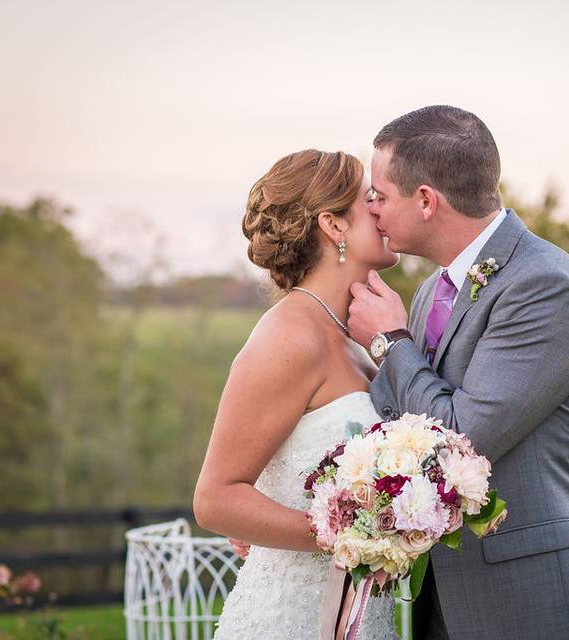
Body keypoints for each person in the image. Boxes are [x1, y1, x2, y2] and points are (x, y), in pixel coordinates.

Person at [346, 105, 569, 640]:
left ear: (426, 201)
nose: (372, 210)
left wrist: (390, 342)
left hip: (533, 591)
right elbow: (395, 426)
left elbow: (463, 436)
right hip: (444, 593)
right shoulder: (427, 294)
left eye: (379, 195)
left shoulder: (543, 286)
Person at [193, 149, 398, 639]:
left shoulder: (355, 333)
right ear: (334, 225)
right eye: (369, 198)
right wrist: (353, 534)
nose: (382, 208)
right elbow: (215, 498)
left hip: (361, 615)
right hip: (290, 620)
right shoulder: (289, 336)